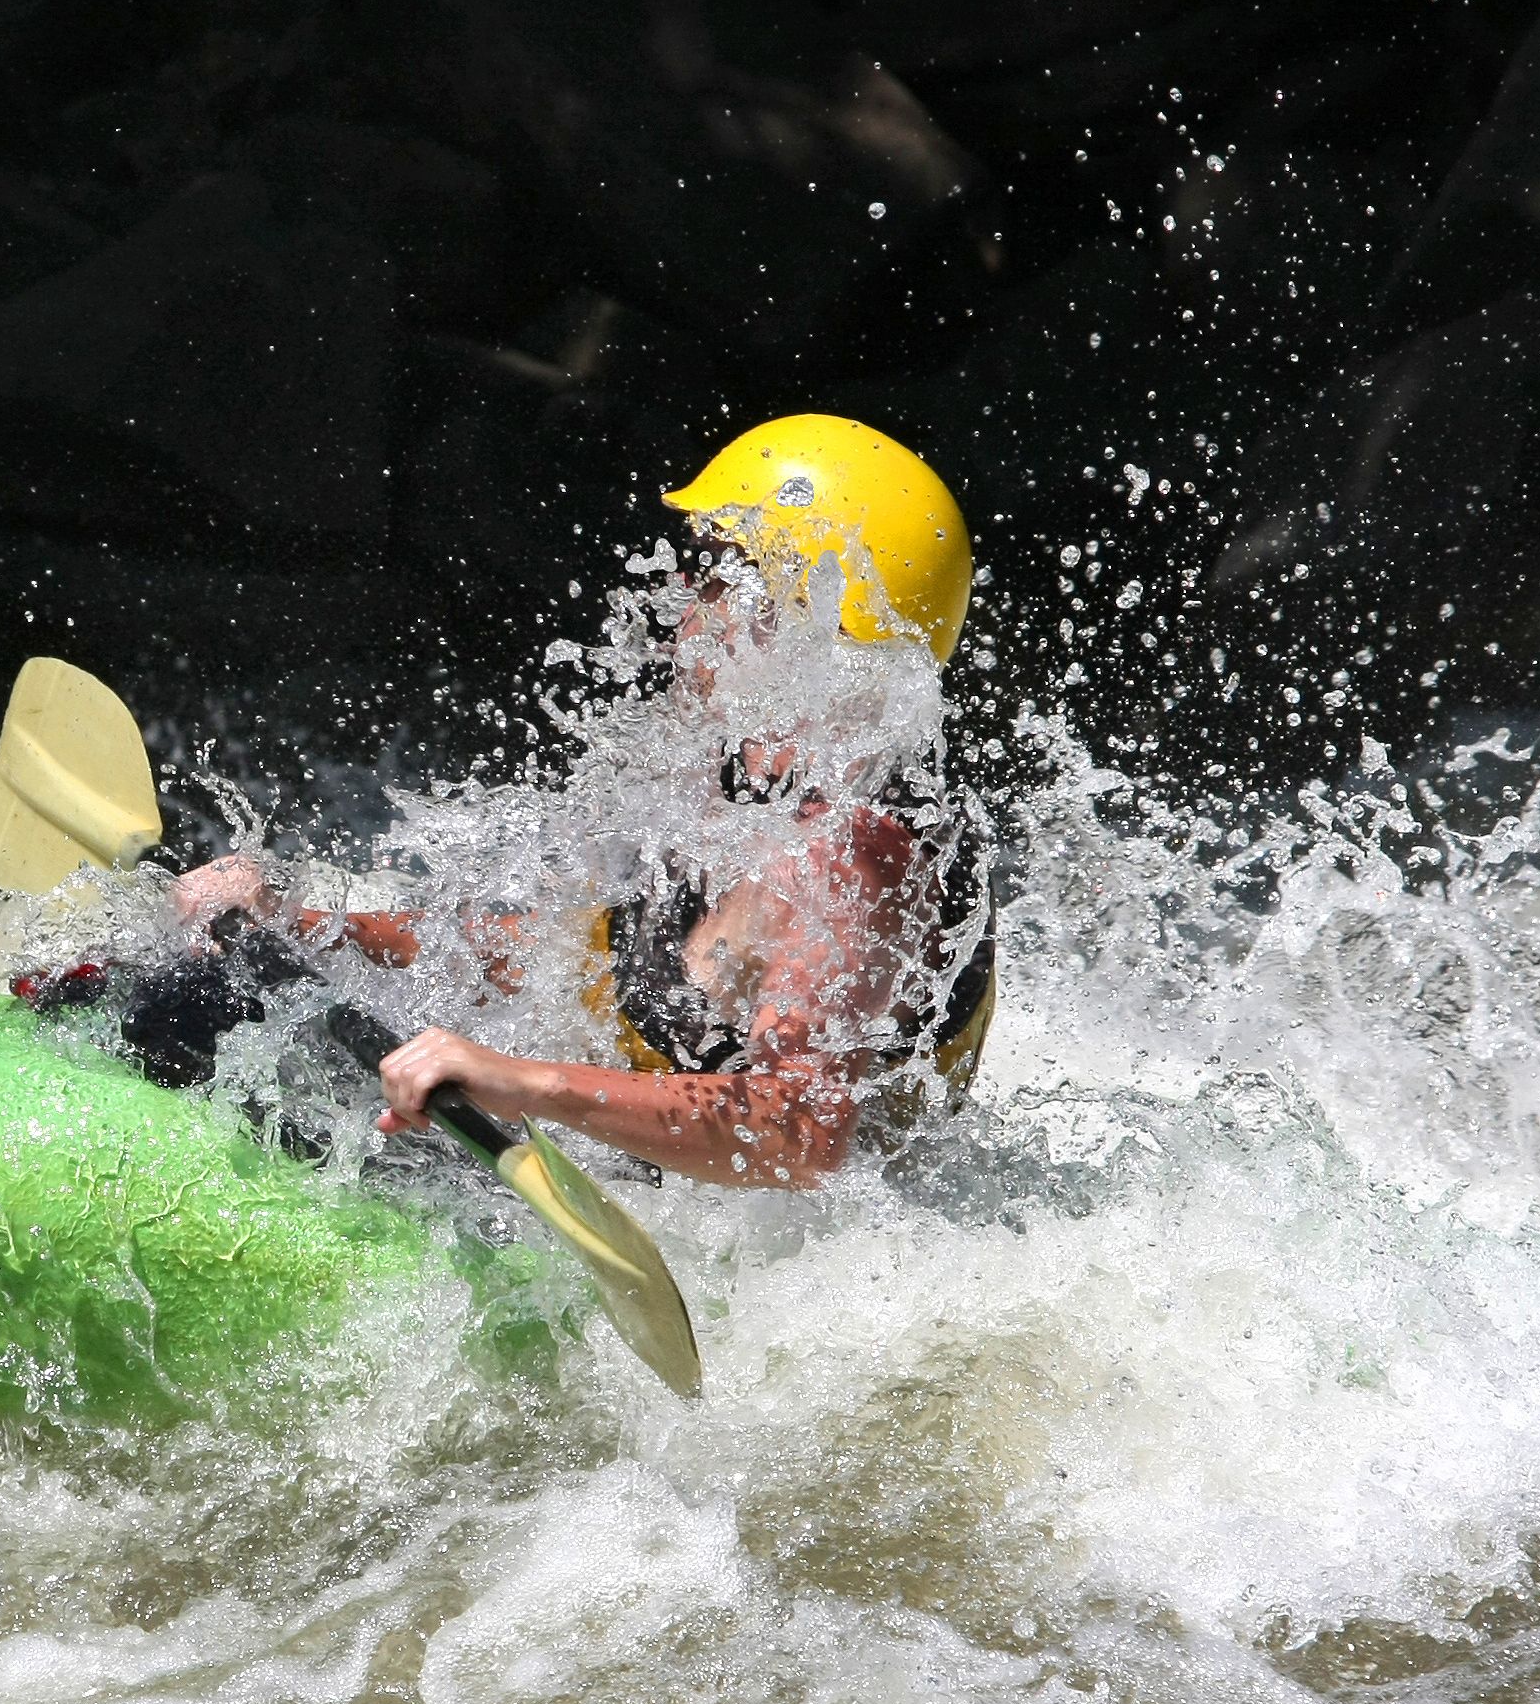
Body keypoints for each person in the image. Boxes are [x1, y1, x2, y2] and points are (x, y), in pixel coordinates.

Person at [165, 414, 995, 1190]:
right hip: (669, 1190)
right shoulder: (727, 783)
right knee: (190, 1004)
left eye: (710, 568)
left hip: (811, 1267)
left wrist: (521, 1081)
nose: (679, 592)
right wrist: (308, 921)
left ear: (794, 615)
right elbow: (563, 960)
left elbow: (800, 1135)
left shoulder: (855, 853)